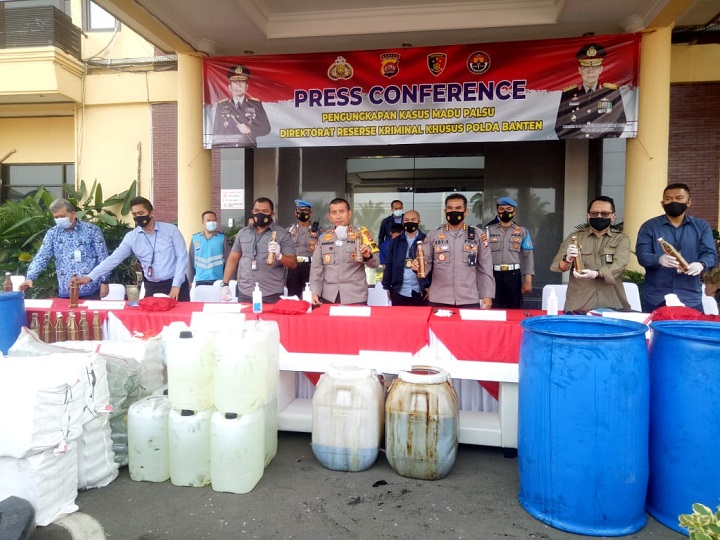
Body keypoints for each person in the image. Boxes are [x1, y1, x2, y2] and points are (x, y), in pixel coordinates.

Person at [76, 197, 190, 301]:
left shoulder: (171, 231)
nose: (138, 217)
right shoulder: (132, 237)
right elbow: (114, 259)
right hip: (152, 286)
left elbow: (182, 257)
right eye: (134, 214)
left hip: (175, 285)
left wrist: (176, 285)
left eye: (141, 213)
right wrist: (90, 277)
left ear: (151, 213)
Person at [636, 183, 717, 313]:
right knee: (654, 332)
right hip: (656, 297)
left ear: (689, 202)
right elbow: (642, 255)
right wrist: (659, 259)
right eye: (668, 199)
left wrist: (701, 264)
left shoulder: (701, 227)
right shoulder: (649, 227)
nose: (673, 202)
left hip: (690, 297)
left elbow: (710, 254)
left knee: (690, 332)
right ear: (662, 203)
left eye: (679, 198)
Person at [550, 196, 631, 312]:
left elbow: (620, 264)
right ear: (588, 216)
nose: (599, 216)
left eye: (604, 214)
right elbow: (558, 267)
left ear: (613, 216)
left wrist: (597, 274)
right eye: (594, 213)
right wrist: (567, 258)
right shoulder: (575, 238)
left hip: (612, 302)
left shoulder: (621, 239)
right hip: (579, 304)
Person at [413, 194, 494, 309]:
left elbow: (485, 268)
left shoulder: (478, 235)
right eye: (450, 208)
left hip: (469, 299)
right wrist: (418, 266)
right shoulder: (434, 235)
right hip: (439, 299)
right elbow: (425, 264)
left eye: (458, 208)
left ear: (465, 211)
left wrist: (487, 295)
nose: (453, 211)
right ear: (445, 211)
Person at [20, 199, 109, 300]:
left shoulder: (92, 231)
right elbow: (42, 257)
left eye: (62, 216)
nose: (59, 219)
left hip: (91, 289)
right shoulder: (52, 234)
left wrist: (105, 281)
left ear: (73, 214)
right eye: (56, 217)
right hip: (66, 290)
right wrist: (30, 277)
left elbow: (103, 257)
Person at [220, 197, 296, 304]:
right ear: (252, 212)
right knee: (245, 320)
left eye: (264, 211)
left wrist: (279, 256)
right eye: (256, 211)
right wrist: (225, 284)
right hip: (245, 292)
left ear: (272, 214)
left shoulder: (282, 234)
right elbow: (233, 258)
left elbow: (293, 263)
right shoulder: (243, 233)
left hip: (271, 294)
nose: (260, 214)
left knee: (271, 321)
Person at [309, 198, 379, 305]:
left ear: (349, 214)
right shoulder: (323, 238)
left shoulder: (361, 234)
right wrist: (314, 292)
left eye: (342, 212)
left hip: (355, 296)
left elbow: (376, 263)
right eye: (334, 213)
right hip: (329, 296)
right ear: (329, 217)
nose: (338, 216)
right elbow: (316, 269)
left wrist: (368, 256)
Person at [555, 43, 627, 139]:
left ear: (601, 69)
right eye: (586, 67)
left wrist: (606, 139)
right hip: (574, 145)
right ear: (579, 70)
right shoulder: (568, 94)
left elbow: (620, 121)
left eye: (595, 67)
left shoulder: (611, 92)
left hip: (602, 144)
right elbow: (560, 125)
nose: (590, 71)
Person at [486, 197, 534, 309]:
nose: (505, 212)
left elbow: (528, 257)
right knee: (493, 310)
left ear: (514, 211)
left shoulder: (522, 231)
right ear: (497, 211)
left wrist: (528, 280)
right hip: (493, 275)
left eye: (509, 208)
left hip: (513, 275)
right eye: (502, 209)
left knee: (514, 308)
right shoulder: (488, 230)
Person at [212, 65, 271, 148]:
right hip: (228, 151)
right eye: (235, 82)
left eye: (242, 82)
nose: (238, 86)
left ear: (247, 87)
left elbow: (266, 129)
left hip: (250, 151)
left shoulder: (255, 104)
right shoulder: (222, 105)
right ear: (229, 87)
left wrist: (250, 129)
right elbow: (216, 133)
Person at [381, 210, 429, 306]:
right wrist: (387, 287)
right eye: (406, 220)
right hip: (399, 290)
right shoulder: (394, 242)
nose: (409, 222)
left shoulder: (427, 240)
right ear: (403, 222)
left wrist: (430, 287)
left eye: (413, 219)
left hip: (422, 291)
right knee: (400, 320)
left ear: (419, 222)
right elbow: (389, 265)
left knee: (420, 320)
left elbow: (434, 266)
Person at [286, 199, 320, 298]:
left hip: (311, 267)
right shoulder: (289, 230)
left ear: (311, 213)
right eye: (300, 210)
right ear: (295, 212)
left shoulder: (319, 231)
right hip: (294, 267)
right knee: (293, 297)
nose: (302, 213)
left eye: (305, 210)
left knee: (311, 297)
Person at [188, 210, 230, 285]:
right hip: (200, 279)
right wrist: (189, 280)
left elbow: (229, 260)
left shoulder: (222, 238)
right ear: (202, 222)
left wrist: (230, 280)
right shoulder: (195, 238)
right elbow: (191, 260)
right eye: (208, 220)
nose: (211, 222)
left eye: (214, 220)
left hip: (218, 279)